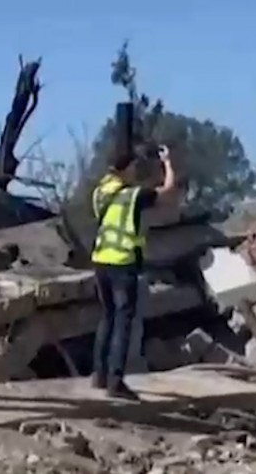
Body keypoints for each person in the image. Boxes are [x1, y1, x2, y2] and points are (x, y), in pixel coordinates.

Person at [91, 144, 176, 400]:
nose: (136, 172)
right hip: (122, 263)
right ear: (127, 168)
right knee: (123, 321)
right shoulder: (133, 195)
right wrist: (167, 163)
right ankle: (116, 382)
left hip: (100, 261)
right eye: (134, 167)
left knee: (107, 317)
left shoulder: (99, 192)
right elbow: (168, 192)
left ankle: (99, 375)